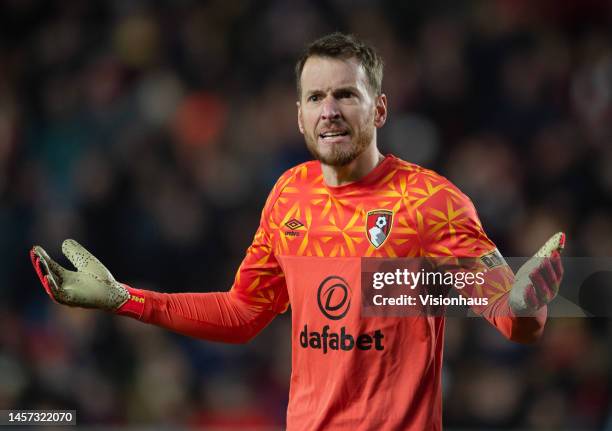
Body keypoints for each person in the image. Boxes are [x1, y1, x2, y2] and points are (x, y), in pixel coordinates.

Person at [30, 33, 565, 430]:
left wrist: (527, 305)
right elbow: (243, 314)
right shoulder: (289, 193)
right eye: (315, 99)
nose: (329, 111)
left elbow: (511, 315)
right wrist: (128, 300)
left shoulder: (434, 203)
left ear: (378, 108)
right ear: (300, 117)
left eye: (345, 95)